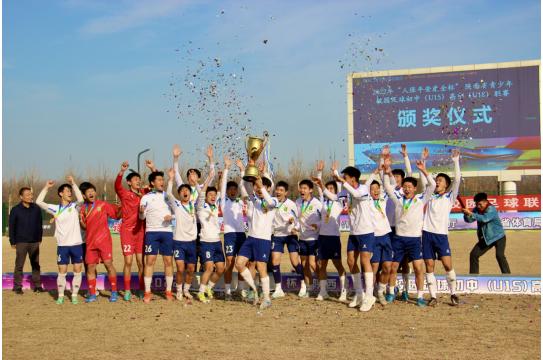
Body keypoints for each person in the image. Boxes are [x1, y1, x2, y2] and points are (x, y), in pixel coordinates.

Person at [383, 156, 435, 307]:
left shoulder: (420, 200)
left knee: (419, 268)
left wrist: (424, 170)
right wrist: (387, 171)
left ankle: (419, 296)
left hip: (414, 240)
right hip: (398, 239)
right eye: (404, 186)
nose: (406, 188)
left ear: (414, 188)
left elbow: (431, 185)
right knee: (393, 267)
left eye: (409, 187)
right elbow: (387, 187)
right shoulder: (398, 200)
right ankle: (391, 293)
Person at [330, 163, 376, 312]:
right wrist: (328, 180)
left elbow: (356, 195)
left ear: (353, 178)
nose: (343, 180)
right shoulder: (346, 192)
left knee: (364, 260)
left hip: (366, 231)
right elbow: (334, 197)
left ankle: (369, 296)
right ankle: (359, 294)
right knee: (350, 261)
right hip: (354, 232)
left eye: (346, 177)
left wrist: (341, 181)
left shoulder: (363, 189)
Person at [421, 149, 461, 306]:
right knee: (429, 266)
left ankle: (453, 293)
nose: (437, 182)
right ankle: (433, 297)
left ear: (446, 185)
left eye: (440, 180)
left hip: (441, 236)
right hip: (427, 234)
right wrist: (423, 160)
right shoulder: (429, 194)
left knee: (447, 265)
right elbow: (425, 180)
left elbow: (457, 180)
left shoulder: (450, 197)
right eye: (436, 179)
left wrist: (456, 161)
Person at [36, 177, 85, 304]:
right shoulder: (55, 209)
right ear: (60, 193)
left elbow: (81, 199)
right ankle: (61, 295)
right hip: (62, 246)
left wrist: (73, 184)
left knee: (77, 270)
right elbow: (39, 202)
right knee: (62, 272)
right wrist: (46, 187)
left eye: (70, 191)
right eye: (67, 191)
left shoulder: (75, 206)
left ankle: (74, 295)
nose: (70, 193)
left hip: (76, 244)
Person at [236, 166, 278, 310]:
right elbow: (246, 186)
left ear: (268, 188)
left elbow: (271, 203)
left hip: (263, 240)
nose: (258, 189)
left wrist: (262, 186)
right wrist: (246, 169)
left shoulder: (273, 200)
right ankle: (254, 289)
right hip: (251, 238)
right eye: (257, 187)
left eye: (262, 187)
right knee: (239, 264)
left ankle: (266, 298)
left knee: (261, 268)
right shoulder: (254, 200)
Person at [79, 182, 121, 303]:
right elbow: (84, 227)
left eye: (93, 190)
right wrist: (80, 220)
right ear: (84, 195)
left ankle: (114, 292)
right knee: (90, 268)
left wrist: (121, 207)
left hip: (104, 242)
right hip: (90, 243)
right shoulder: (82, 209)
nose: (91, 193)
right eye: (88, 192)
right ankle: (92, 294)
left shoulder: (103, 205)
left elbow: (116, 216)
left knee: (108, 265)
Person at [312, 160, 347, 302]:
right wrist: (319, 172)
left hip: (333, 238)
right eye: (328, 189)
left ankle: (344, 291)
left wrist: (335, 173)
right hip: (322, 238)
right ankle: (323, 291)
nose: (329, 190)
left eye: (332, 189)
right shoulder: (322, 202)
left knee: (338, 264)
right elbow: (320, 187)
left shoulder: (339, 201)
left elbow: (339, 185)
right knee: (322, 265)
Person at [195, 147, 226, 303]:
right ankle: (201, 292)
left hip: (216, 242)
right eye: (210, 195)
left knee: (221, 268)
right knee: (208, 268)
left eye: (214, 195)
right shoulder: (201, 206)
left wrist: (220, 177)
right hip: (205, 242)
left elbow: (220, 189)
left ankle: (209, 287)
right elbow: (204, 190)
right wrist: (210, 161)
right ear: (205, 196)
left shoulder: (216, 204)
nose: (213, 197)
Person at [140, 171, 175, 303]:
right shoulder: (146, 197)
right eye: (159, 180)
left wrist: (171, 217)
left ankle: (169, 291)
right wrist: (141, 212)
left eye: (162, 179)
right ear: (152, 183)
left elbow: (177, 212)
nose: (162, 182)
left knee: (168, 262)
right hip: (152, 233)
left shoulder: (168, 196)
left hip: (167, 232)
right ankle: (147, 292)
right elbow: (141, 217)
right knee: (150, 261)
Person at [384, 144, 413, 301]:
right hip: (388, 230)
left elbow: (409, 173)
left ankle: (406, 289)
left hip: (402, 230)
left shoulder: (404, 191)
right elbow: (385, 176)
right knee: (390, 262)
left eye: (397, 177)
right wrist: (386, 162)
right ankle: (391, 288)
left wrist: (405, 157)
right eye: (392, 177)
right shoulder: (388, 191)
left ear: (402, 180)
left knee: (405, 263)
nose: (394, 179)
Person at [115, 161, 147, 301]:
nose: (138, 182)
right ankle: (127, 290)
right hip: (127, 232)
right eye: (135, 180)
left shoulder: (144, 194)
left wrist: (152, 168)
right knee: (128, 261)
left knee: (141, 263)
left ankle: (141, 289)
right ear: (129, 182)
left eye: (139, 180)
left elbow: (156, 183)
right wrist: (121, 171)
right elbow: (116, 185)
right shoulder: (124, 194)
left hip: (141, 232)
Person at [166, 171, 198, 303]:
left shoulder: (194, 205)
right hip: (178, 242)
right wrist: (171, 179)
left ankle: (186, 290)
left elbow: (201, 194)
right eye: (183, 191)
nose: (185, 192)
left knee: (191, 269)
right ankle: (178, 291)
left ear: (190, 194)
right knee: (180, 268)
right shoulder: (177, 205)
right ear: (180, 194)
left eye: (187, 191)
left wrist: (196, 182)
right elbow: (168, 194)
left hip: (191, 242)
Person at [220, 155, 247, 301]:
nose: (232, 191)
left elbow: (244, 187)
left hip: (242, 235)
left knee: (242, 263)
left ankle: (241, 290)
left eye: (234, 189)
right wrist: (226, 169)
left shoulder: (241, 201)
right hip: (229, 235)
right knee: (229, 262)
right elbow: (222, 186)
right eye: (230, 189)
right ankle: (228, 291)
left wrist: (242, 170)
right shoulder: (224, 203)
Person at [463, 193, 511, 274]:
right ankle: (473, 277)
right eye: (476, 204)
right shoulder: (476, 210)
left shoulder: (491, 209)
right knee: (474, 255)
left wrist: (471, 213)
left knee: (499, 255)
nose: (478, 206)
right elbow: (469, 220)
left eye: (480, 204)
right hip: (486, 238)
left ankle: (507, 276)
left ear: (485, 202)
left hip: (499, 237)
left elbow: (485, 219)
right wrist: (466, 214)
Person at [270, 180, 302, 299]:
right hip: (277, 235)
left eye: (281, 190)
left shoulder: (291, 204)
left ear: (286, 193)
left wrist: (293, 224)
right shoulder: (272, 202)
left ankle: (304, 285)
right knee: (275, 261)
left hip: (290, 235)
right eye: (277, 190)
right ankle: (278, 288)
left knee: (294, 262)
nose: (278, 192)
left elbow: (296, 220)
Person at [9, 187, 44, 294]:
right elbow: (12, 226)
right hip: (21, 242)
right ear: (21, 196)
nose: (30, 196)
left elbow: (39, 224)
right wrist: (13, 241)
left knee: (35, 264)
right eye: (27, 195)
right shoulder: (15, 210)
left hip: (34, 241)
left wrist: (39, 238)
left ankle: (38, 286)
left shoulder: (37, 209)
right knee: (19, 265)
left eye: (31, 194)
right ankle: (17, 286)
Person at [294, 179, 322, 298]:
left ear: (310, 190)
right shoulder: (298, 202)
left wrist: (318, 225)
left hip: (314, 238)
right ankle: (309, 288)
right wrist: (295, 227)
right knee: (304, 264)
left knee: (312, 264)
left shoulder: (317, 203)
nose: (302, 190)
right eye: (301, 188)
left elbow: (324, 218)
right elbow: (295, 218)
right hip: (302, 238)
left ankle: (322, 286)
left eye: (305, 188)